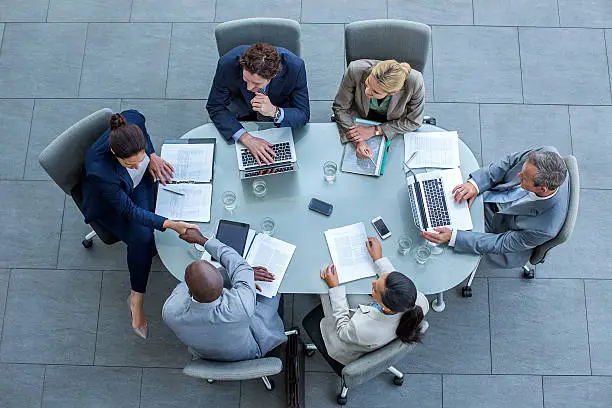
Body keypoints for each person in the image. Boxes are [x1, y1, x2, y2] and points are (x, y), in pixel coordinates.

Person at [81, 110, 197, 339]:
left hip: (140, 185)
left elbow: (141, 124)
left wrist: (151, 156)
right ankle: (136, 296)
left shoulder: (132, 121)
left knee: (158, 215)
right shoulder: (100, 172)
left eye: (140, 158)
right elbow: (128, 210)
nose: (136, 166)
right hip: (112, 205)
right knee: (142, 238)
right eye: (130, 164)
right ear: (115, 153)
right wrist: (171, 225)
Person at [422, 147, 569, 269]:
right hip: (492, 195)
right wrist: (476, 185)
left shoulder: (545, 228)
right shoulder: (545, 153)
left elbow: (501, 243)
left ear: (542, 189)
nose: (518, 176)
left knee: (434, 246)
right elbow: (510, 162)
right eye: (522, 172)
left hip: (499, 230)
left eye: (523, 178)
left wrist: (454, 237)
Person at [302, 236, 429, 372]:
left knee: (323, 286)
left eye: (375, 289)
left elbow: (342, 330)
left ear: (384, 306)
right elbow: (393, 282)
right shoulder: (418, 300)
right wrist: (378, 259)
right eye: (380, 279)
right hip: (375, 327)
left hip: (345, 340)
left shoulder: (360, 328)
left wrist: (334, 288)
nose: (373, 283)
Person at [162, 228, 287, 361]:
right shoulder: (240, 306)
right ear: (223, 286)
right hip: (248, 352)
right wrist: (202, 240)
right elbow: (239, 265)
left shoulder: (169, 311)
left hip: (205, 355)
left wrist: (237, 275)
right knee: (275, 288)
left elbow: (185, 285)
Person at [206, 43, 310, 165]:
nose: (249, 87)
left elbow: (303, 114)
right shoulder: (227, 64)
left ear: (273, 75)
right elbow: (215, 106)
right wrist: (246, 138)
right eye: (246, 80)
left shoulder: (295, 67)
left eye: (256, 84)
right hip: (242, 114)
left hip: (279, 120)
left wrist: (274, 111)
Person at [332, 59, 424, 160]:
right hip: (359, 117)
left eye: (375, 92)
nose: (367, 91)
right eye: (367, 83)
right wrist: (358, 140)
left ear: (394, 92)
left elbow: (414, 122)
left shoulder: (415, 82)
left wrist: (375, 130)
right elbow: (341, 107)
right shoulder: (355, 70)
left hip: (394, 123)